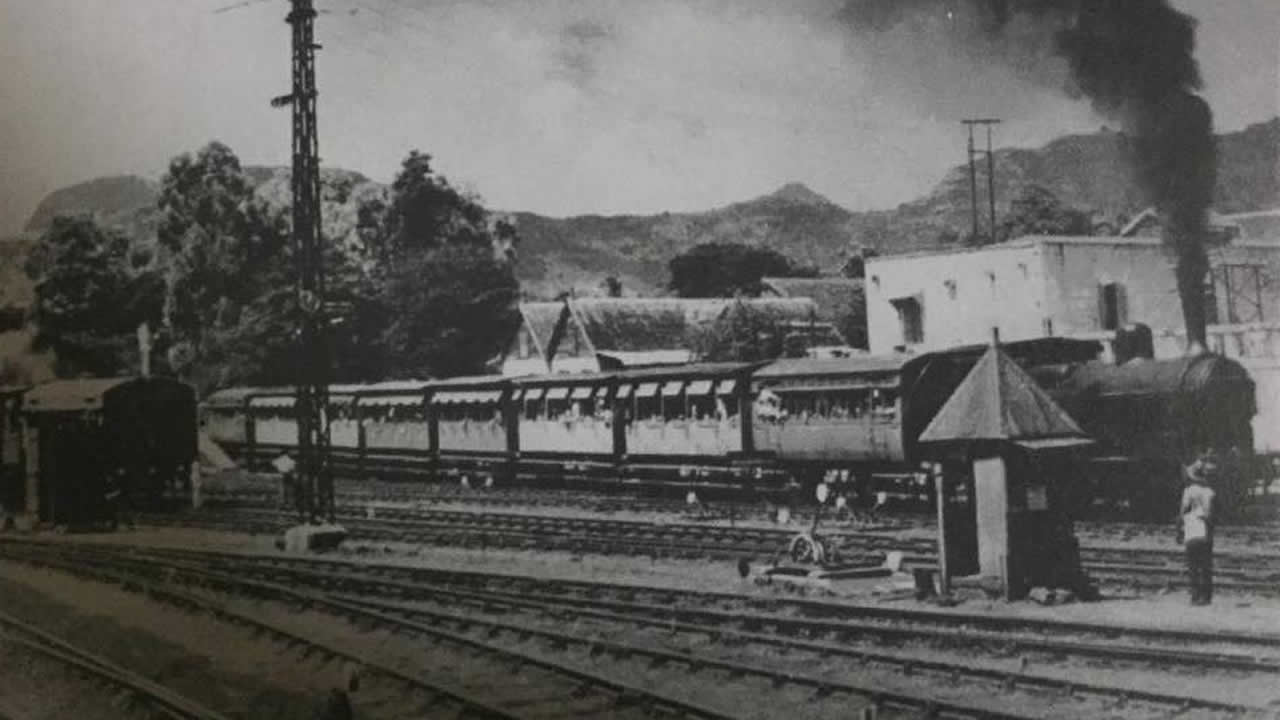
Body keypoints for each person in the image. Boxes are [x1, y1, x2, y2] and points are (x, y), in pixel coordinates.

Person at [1177, 450, 1218, 606]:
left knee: (1192, 566)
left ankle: (1194, 596)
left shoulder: (1188, 491)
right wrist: (1209, 525)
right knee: (1206, 565)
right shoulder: (1209, 492)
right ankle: (1206, 597)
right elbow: (1209, 514)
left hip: (1191, 530)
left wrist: (1179, 530)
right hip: (1205, 531)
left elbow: (1182, 512)